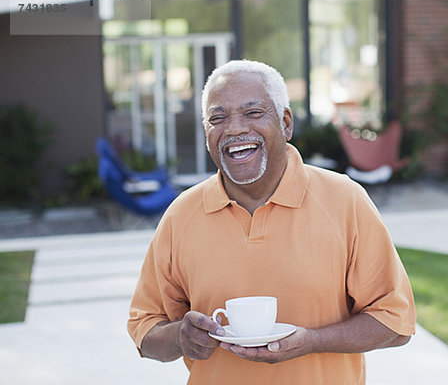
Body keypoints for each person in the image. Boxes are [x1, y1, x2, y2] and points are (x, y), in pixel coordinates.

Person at [128, 59, 416, 384]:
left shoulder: (345, 201)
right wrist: (181, 336)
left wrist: (314, 341)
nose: (235, 129)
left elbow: (395, 322)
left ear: (286, 123)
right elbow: (144, 330)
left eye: (253, 113)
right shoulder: (181, 215)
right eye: (218, 118)